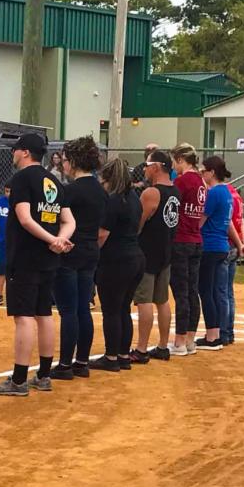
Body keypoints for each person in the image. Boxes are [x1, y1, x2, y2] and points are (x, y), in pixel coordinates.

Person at [0, 132, 75, 397]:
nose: (13, 154)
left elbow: (24, 219)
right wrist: (59, 240)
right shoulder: (54, 181)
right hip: (48, 258)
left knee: (24, 316)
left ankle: (19, 380)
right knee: (43, 313)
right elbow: (69, 221)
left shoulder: (23, 178)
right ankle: (44, 375)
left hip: (25, 256)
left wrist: (53, 240)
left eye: (16, 149)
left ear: (25, 152)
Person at [50, 136, 105, 380]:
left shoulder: (69, 191)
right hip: (91, 250)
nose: (63, 164)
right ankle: (81, 362)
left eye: (65, 160)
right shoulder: (100, 190)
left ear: (73, 161)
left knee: (68, 310)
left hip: (70, 251)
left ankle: (64, 365)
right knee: (83, 307)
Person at [91, 158, 145, 372]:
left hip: (116, 259)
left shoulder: (114, 200)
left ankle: (111, 357)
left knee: (111, 309)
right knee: (123, 308)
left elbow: (102, 234)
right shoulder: (134, 198)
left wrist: (92, 251)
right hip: (135, 257)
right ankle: (123, 355)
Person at [132, 149, 179, 362]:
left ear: (157, 167)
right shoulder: (175, 191)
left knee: (144, 301)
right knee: (162, 300)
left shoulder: (151, 193)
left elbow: (138, 224)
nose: (145, 169)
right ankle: (162, 346)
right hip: (166, 250)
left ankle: (141, 349)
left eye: (147, 165)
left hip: (148, 252)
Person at [195, 156, 238, 350]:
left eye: (204, 171)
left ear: (212, 172)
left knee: (206, 291)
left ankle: (213, 335)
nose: (202, 174)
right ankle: (218, 333)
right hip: (221, 245)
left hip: (210, 245)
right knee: (214, 291)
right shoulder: (227, 192)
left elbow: (201, 220)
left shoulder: (213, 193)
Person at [169, 144, 203, 355]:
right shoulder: (200, 182)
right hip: (196, 239)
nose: (173, 166)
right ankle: (190, 339)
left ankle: (180, 341)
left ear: (181, 159)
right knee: (192, 291)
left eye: (175, 161)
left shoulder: (182, 181)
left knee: (181, 291)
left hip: (181, 240)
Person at [224, 183, 244, 344]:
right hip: (235, 244)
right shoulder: (236, 195)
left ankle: (223, 332)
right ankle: (229, 332)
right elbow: (242, 222)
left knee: (221, 292)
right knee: (228, 292)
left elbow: (229, 223)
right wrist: (242, 242)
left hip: (227, 243)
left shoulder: (223, 194)